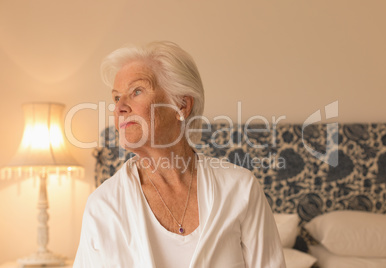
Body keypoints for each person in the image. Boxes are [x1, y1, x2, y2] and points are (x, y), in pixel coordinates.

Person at [73, 41, 285, 268]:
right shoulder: (103, 206)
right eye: (116, 98)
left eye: (136, 91)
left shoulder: (241, 189)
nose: (119, 108)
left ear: (181, 105)